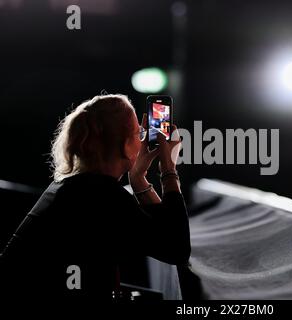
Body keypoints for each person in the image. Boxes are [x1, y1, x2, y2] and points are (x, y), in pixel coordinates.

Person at [0, 94, 191, 303]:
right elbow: (176, 249)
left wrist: (138, 179)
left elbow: (163, 236)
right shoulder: (101, 195)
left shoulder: (74, 187)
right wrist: (169, 168)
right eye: (139, 132)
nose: (144, 138)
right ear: (127, 146)